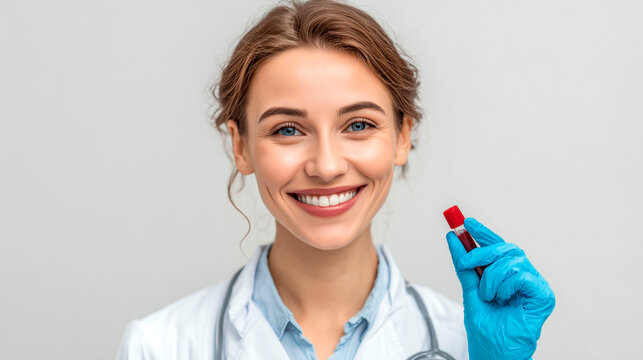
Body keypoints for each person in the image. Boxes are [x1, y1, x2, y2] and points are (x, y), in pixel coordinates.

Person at [116, 1, 555, 359]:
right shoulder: (159, 347)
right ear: (242, 146)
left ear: (402, 137)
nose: (326, 166)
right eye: (287, 130)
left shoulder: (465, 346)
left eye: (359, 125)